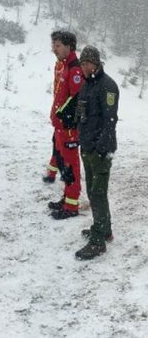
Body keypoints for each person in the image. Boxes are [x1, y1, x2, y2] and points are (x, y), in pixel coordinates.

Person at [73, 45, 118, 260]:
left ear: (96, 63)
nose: (84, 67)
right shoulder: (87, 85)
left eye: (87, 63)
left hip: (100, 150)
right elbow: (83, 113)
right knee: (92, 192)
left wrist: (101, 149)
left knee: (98, 194)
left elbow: (110, 121)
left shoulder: (107, 86)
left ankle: (98, 241)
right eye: (82, 63)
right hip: (87, 147)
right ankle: (104, 229)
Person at [45, 30, 84, 219]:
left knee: (71, 165)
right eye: (53, 45)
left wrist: (64, 119)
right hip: (60, 127)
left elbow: (77, 101)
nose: (54, 49)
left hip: (69, 129)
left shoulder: (75, 70)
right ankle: (67, 197)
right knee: (64, 164)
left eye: (58, 45)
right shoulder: (63, 66)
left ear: (69, 47)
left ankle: (72, 206)